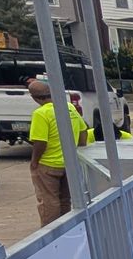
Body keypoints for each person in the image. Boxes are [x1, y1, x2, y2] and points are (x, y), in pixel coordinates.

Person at [26, 79, 91, 225]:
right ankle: (66, 227)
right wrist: (79, 150)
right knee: (64, 199)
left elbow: (40, 142)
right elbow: (83, 131)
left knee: (49, 201)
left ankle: (51, 232)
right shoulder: (68, 107)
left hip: (48, 164)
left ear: (34, 97)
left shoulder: (41, 114)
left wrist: (35, 161)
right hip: (69, 163)